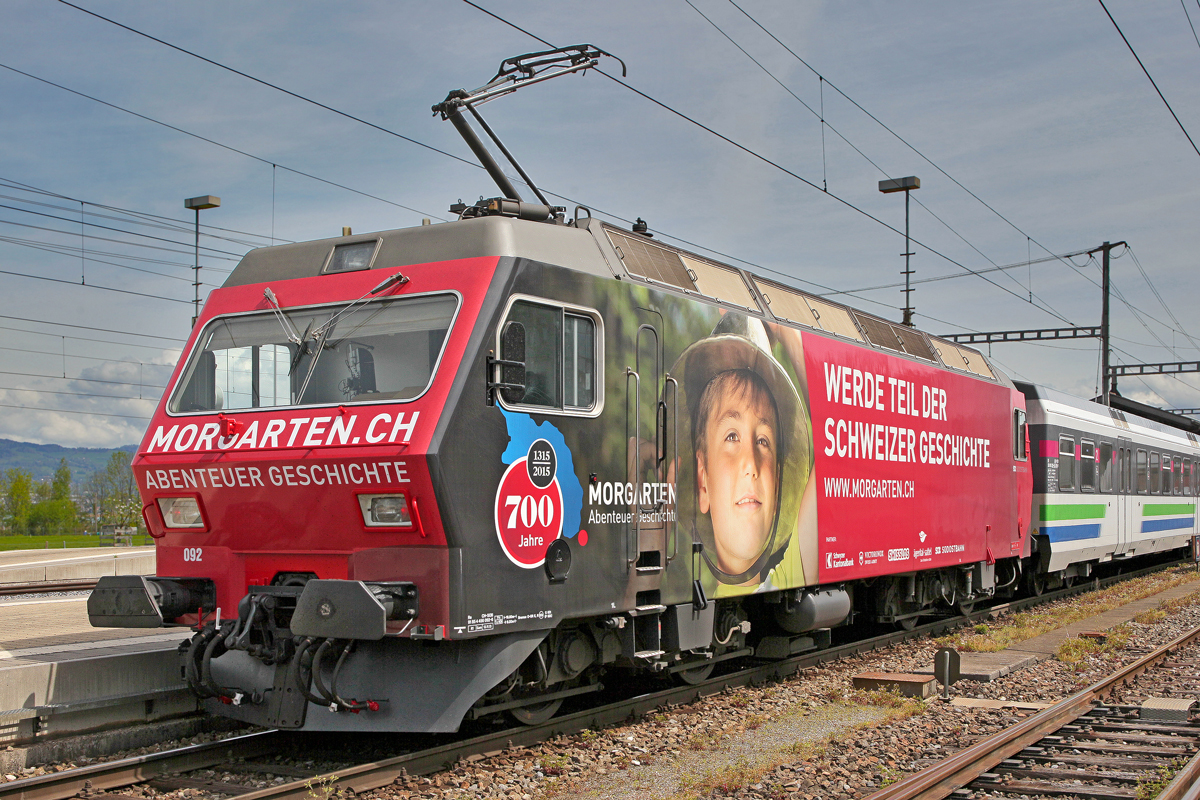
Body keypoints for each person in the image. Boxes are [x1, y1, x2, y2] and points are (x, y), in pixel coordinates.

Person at [674, 315, 813, 591]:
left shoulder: (794, 572)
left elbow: (840, 438)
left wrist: (785, 329)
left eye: (763, 440)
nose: (751, 462)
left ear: (777, 489)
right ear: (703, 482)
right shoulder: (681, 588)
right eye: (732, 436)